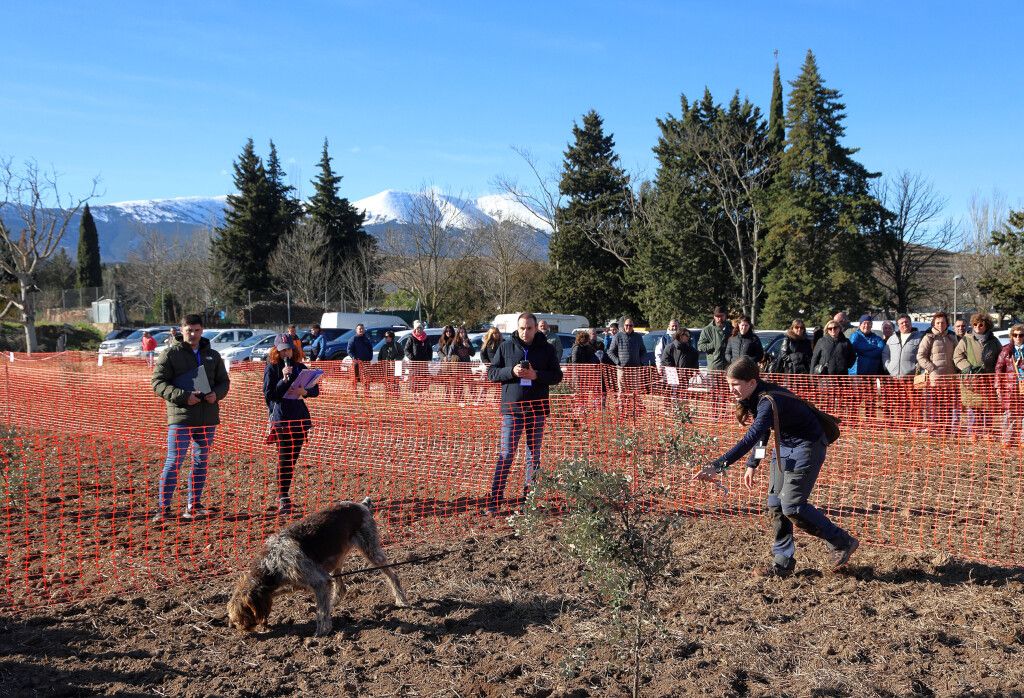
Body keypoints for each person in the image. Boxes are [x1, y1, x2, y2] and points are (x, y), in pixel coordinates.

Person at [693, 357, 858, 577]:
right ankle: (783, 562)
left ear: (752, 382)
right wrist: (753, 463)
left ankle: (842, 541)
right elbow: (764, 433)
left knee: (793, 506)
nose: (731, 390)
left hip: (807, 446)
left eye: (735, 384)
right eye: (729, 384)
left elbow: (750, 438)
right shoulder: (754, 397)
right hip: (784, 448)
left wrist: (718, 465)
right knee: (776, 505)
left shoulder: (768, 400)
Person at [150, 314, 230, 522]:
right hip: (181, 417)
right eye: (189, 330)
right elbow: (158, 383)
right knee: (174, 460)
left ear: (202, 330)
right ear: (181, 330)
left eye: (196, 330)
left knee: (201, 461)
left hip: (207, 417)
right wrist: (184, 397)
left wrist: (216, 394)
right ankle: (163, 508)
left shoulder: (213, 355)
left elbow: (223, 382)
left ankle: (194, 504)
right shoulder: (170, 354)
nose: (193, 334)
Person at [486, 312, 563, 514]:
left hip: (537, 409)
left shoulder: (546, 349)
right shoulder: (506, 346)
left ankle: (529, 499)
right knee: (507, 453)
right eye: (522, 328)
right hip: (512, 409)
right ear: (517, 327)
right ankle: (495, 499)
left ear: (536, 328)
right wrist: (512, 371)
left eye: (529, 328)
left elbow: (557, 376)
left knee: (533, 456)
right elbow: (492, 373)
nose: (525, 332)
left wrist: (536, 375)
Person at [263, 334, 320, 515]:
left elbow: (315, 389)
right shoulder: (272, 369)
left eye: (288, 348)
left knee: (293, 458)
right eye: (282, 349)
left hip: (299, 417)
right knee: (284, 457)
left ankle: (284, 493)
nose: (286, 352)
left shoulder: (300, 367)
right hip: (281, 418)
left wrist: (306, 391)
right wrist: (282, 379)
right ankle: (283, 496)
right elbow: (269, 395)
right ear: (276, 351)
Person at [953, 313, 1003, 440]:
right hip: (971, 380)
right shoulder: (966, 339)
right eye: (975, 324)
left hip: (988, 379)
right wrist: (966, 367)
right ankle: (973, 433)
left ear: (987, 325)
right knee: (972, 407)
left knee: (987, 408)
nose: (977, 327)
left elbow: (1000, 358)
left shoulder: (994, 341)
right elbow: (957, 356)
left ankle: (987, 432)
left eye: (981, 324)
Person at [917, 312, 958, 431]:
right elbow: (920, 356)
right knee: (934, 405)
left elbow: (957, 355)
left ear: (947, 324)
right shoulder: (928, 337)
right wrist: (932, 368)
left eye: (943, 322)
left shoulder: (951, 337)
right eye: (938, 323)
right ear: (934, 324)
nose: (941, 325)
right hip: (934, 378)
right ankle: (933, 429)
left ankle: (947, 428)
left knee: (948, 405)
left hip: (950, 378)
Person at [881, 315, 923, 426]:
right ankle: (902, 425)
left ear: (911, 323)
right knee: (899, 403)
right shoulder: (892, 338)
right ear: (898, 325)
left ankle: (916, 425)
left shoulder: (919, 337)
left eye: (906, 322)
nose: (904, 324)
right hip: (895, 377)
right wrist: (888, 366)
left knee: (915, 403)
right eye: (902, 323)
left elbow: (923, 354)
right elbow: (885, 354)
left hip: (912, 377)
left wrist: (917, 368)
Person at [810, 320, 854, 414]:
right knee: (826, 402)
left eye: (835, 327)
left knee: (842, 402)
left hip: (841, 377)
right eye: (830, 328)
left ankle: (840, 420)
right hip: (825, 377)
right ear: (827, 330)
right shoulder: (821, 341)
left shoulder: (846, 342)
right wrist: (811, 377)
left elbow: (852, 356)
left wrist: (846, 365)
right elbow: (814, 359)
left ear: (839, 329)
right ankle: (826, 422)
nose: (833, 330)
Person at [848, 315, 885, 423]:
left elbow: (880, 349)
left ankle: (870, 421)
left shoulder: (877, 338)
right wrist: (871, 349)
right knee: (855, 399)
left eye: (869, 323)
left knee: (870, 399)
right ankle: (852, 421)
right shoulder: (855, 336)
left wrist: (863, 350)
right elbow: (854, 346)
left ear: (871, 325)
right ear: (860, 325)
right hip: (856, 373)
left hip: (871, 374)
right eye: (864, 323)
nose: (866, 325)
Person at [607, 317, 646, 417]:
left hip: (635, 369)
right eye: (627, 325)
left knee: (635, 391)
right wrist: (617, 361)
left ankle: (634, 411)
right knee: (622, 391)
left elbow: (643, 351)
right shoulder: (618, 336)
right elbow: (610, 351)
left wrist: (640, 361)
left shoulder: (638, 337)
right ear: (623, 326)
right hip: (622, 369)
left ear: (633, 326)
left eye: (631, 325)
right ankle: (622, 411)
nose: (629, 327)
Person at [995, 324, 1024, 445]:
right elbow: (998, 368)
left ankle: (1023, 439)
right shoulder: (1006, 350)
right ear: (1011, 336)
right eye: (1015, 335)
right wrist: (997, 386)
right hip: (1010, 387)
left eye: (1021, 335)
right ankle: (1007, 439)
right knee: (1009, 412)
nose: (1018, 337)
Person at [404, 324, 433, 397]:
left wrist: (429, 358)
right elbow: (406, 349)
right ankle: (414, 394)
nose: (419, 330)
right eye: (417, 328)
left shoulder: (426, 338)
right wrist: (412, 357)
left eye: (420, 328)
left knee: (423, 378)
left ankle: (422, 394)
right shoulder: (411, 338)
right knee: (414, 379)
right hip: (414, 363)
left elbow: (430, 349)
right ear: (415, 329)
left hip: (423, 363)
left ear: (422, 329)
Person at [698, 306, 730, 372]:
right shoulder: (707, 330)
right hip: (714, 367)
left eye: (721, 316)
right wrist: (714, 344)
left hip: (729, 367)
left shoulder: (731, 329)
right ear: (714, 317)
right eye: (717, 316)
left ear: (725, 316)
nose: (719, 318)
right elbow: (700, 346)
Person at [347, 324, 374, 397]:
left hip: (366, 362)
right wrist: (354, 358)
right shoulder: (353, 339)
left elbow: (370, 349)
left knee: (366, 379)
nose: (361, 330)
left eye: (362, 328)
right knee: (355, 378)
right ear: (356, 330)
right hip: (356, 363)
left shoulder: (366, 339)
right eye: (360, 329)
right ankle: (355, 393)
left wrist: (370, 357)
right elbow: (349, 350)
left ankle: (367, 393)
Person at [377, 330, 404, 397]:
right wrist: (381, 365)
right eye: (385, 337)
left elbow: (402, 354)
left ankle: (396, 394)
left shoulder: (397, 345)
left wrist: (395, 360)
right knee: (387, 381)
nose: (385, 338)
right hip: (386, 367)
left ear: (391, 337)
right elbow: (379, 357)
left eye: (387, 337)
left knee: (395, 381)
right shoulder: (384, 347)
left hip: (396, 367)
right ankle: (387, 394)